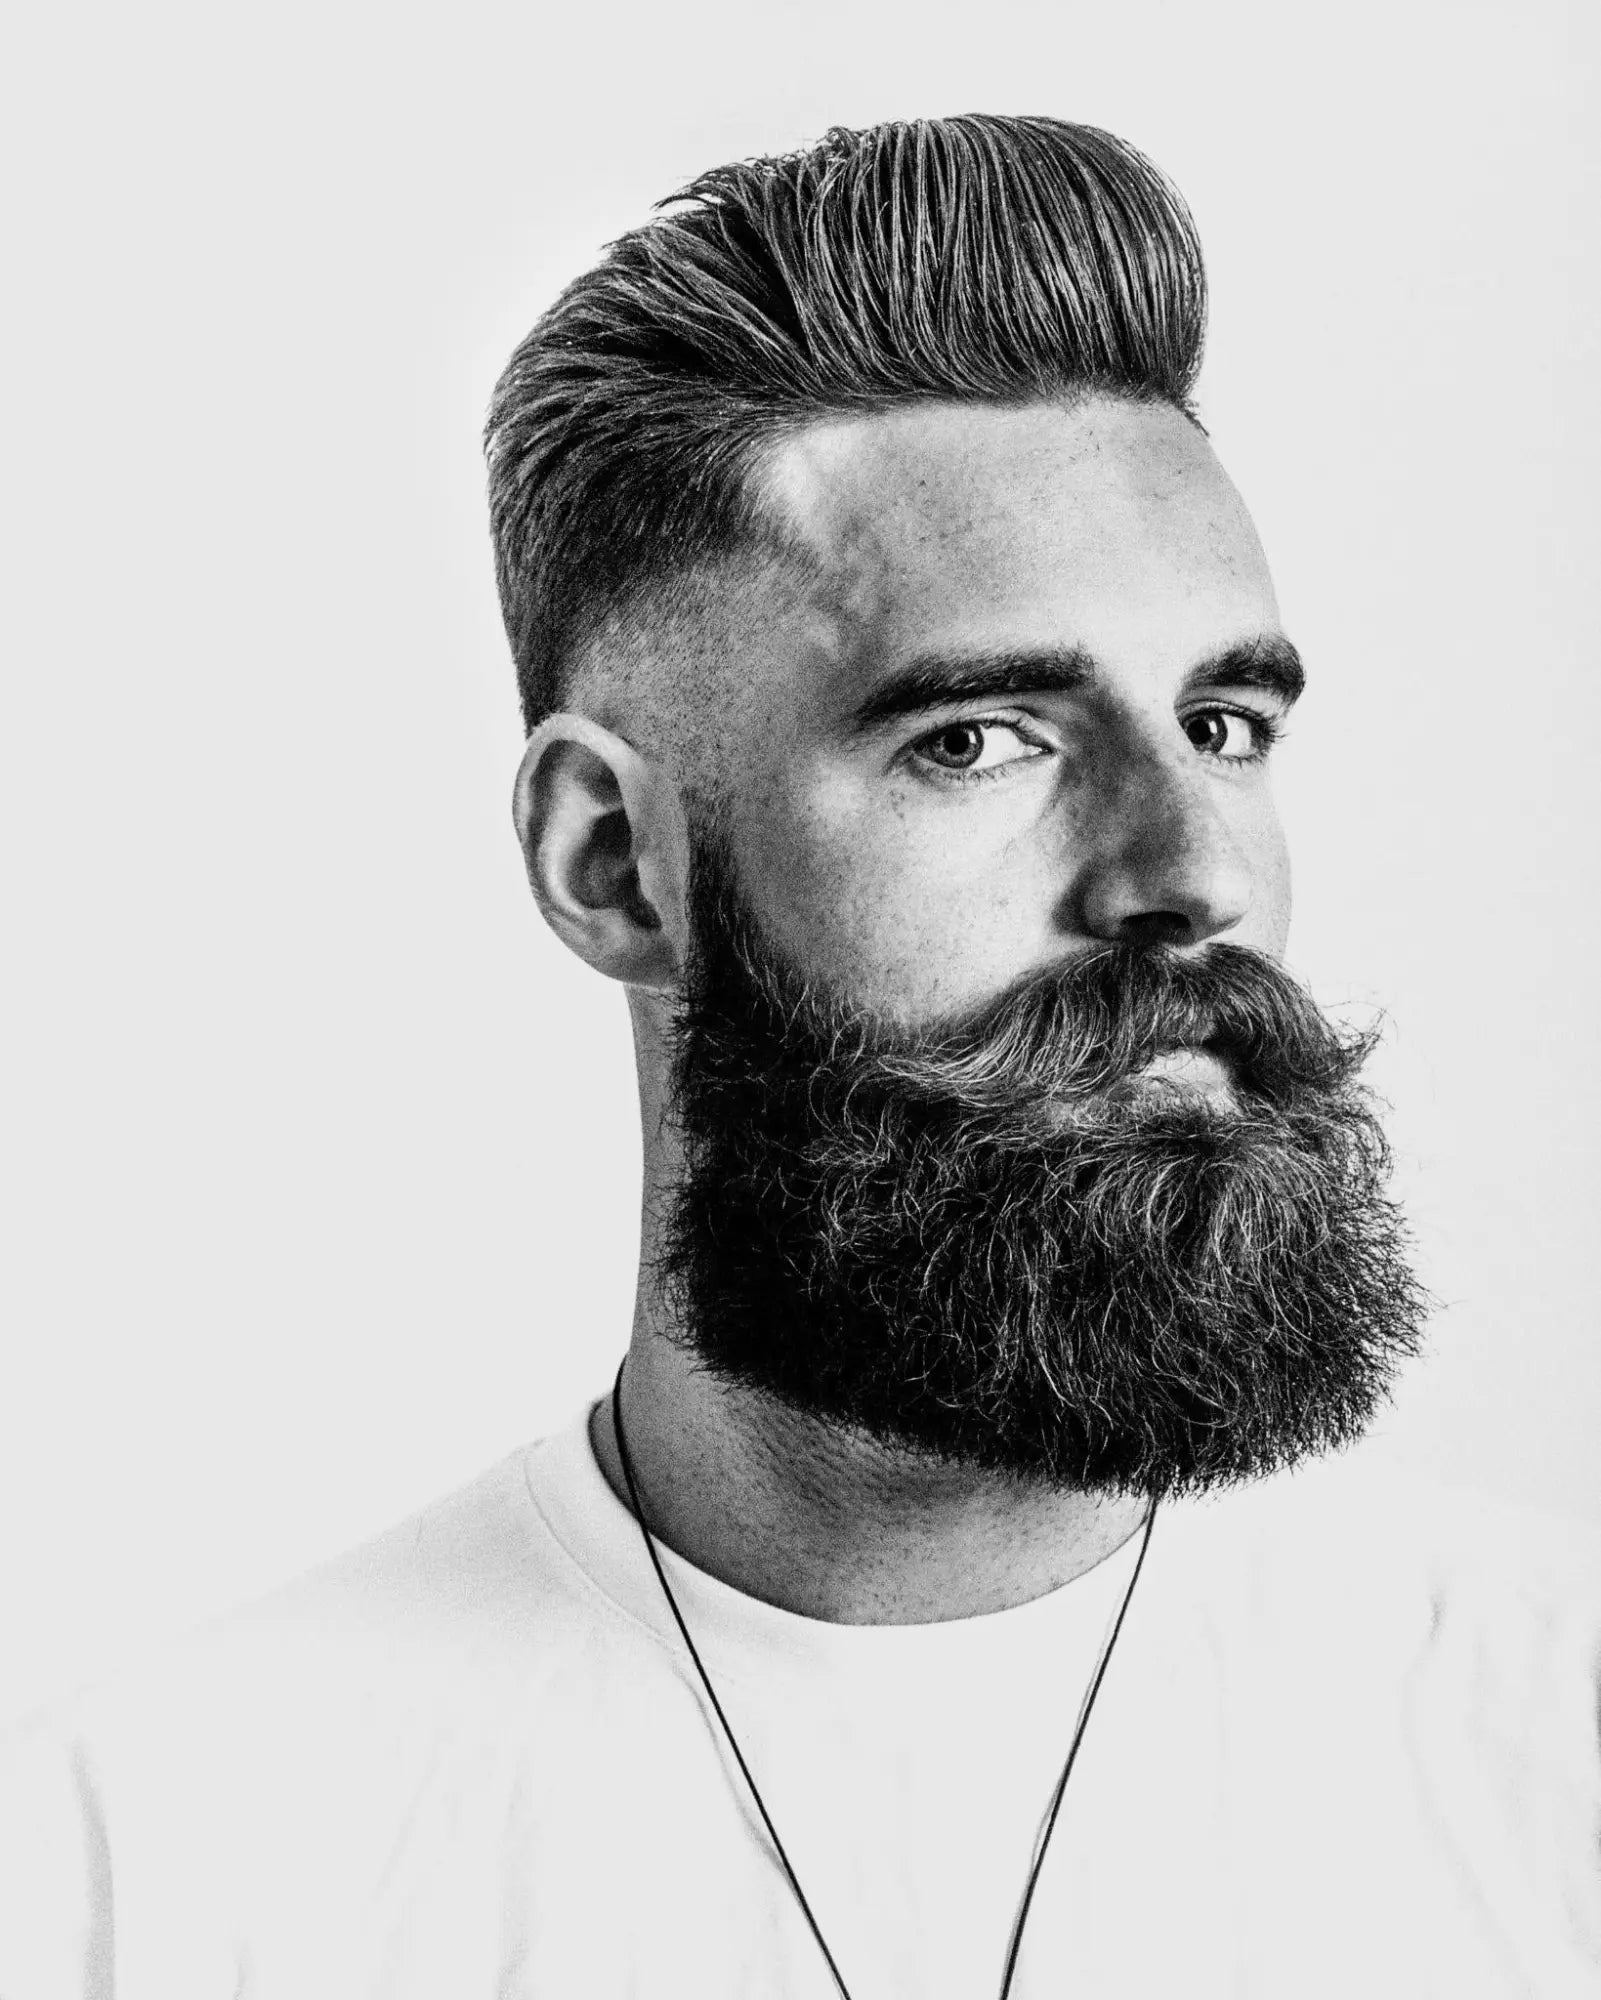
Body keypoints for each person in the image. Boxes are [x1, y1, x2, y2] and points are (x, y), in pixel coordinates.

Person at [1, 113, 1598, 2000]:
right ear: (612, 861)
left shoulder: (1549, 1756)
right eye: (979, 740)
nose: (1195, 875)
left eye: (1225, 722)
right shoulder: (147, 1871)